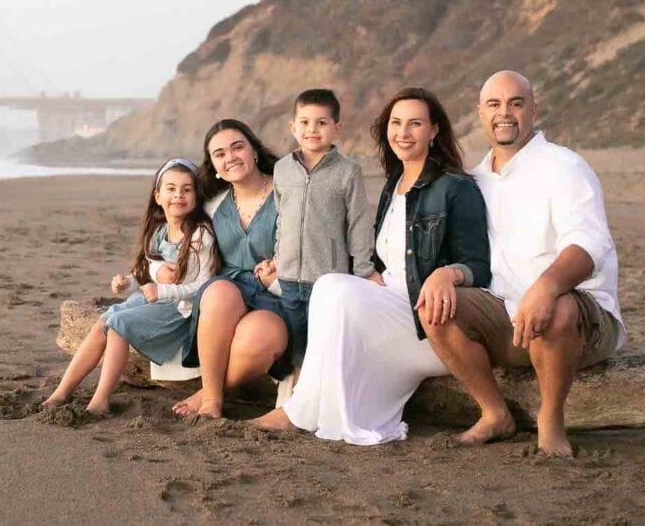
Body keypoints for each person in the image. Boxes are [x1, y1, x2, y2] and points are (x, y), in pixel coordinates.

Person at [252, 87, 491, 444]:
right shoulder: (394, 184)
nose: (403, 133)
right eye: (396, 123)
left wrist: (447, 274)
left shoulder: (455, 187)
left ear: (434, 130)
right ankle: (301, 406)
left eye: (415, 123)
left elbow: (478, 265)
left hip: (425, 319)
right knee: (332, 288)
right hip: (388, 304)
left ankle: (296, 411)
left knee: (332, 287)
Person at [423, 70, 625, 457]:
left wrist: (546, 286)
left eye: (516, 103)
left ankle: (550, 423)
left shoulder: (563, 166)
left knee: (558, 306)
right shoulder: (474, 181)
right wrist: (442, 274)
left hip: (580, 323)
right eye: (495, 105)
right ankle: (495, 413)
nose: (505, 113)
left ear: (534, 109)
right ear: (480, 113)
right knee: (434, 307)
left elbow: (589, 242)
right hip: (507, 320)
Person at [42, 158, 219, 415]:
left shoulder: (200, 235)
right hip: (156, 300)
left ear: (196, 195)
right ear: (158, 196)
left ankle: (100, 400)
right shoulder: (158, 231)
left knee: (119, 326)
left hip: (181, 311)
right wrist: (129, 281)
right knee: (105, 320)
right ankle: (61, 392)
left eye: (186, 189)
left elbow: (205, 285)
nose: (178, 195)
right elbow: (148, 272)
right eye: (170, 189)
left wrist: (163, 291)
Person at [170, 119, 289, 419]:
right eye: (219, 154)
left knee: (262, 336)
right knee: (221, 290)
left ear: (255, 151)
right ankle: (213, 403)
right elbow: (171, 228)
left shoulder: (288, 192)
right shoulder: (213, 204)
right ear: (214, 166)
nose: (230, 157)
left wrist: (277, 277)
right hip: (228, 296)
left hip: (277, 295)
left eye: (238, 147)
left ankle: (207, 392)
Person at [255, 88, 374, 374]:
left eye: (322, 122)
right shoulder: (282, 169)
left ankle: (325, 391)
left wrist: (364, 270)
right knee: (297, 341)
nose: (312, 129)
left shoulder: (348, 172)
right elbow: (282, 217)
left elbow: (358, 222)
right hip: (288, 276)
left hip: (328, 277)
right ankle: (296, 392)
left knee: (326, 341)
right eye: (305, 122)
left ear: (337, 128)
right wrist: (278, 255)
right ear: (293, 127)